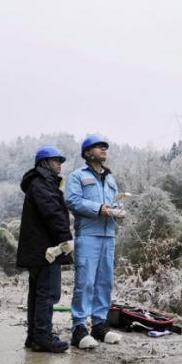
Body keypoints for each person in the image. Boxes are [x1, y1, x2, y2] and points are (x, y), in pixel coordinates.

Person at [65, 135, 124, 349]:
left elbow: (114, 201)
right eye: (100, 147)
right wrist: (98, 209)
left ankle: (99, 325)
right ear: (88, 152)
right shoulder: (77, 176)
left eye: (105, 147)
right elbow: (72, 201)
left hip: (109, 235)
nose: (104, 149)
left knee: (104, 282)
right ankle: (79, 328)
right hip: (88, 235)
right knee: (85, 283)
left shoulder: (110, 179)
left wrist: (119, 212)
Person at [16, 145, 74, 353]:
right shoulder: (43, 184)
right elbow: (53, 213)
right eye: (56, 160)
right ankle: (43, 335)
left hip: (37, 249)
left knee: (38, 293)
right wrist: (66, 238)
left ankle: (34, 336)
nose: (60, 164)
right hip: (46, 250)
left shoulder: (39, 183)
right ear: (45, 163)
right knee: (48, 293)